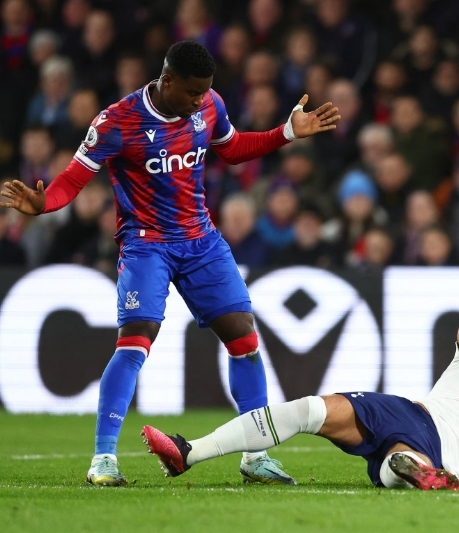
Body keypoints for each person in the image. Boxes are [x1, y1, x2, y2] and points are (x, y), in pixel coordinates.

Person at [0, 41, 340, 486]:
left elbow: (232, 148)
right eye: (192, 92)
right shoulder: (117, 121)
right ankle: (103, 459)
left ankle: (255, 456)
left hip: (201, 240)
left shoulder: (210, 104)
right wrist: (43, 204)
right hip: (147, 245)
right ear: (167, 81)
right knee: (134, 342)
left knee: (245, 341)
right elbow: (72, 180)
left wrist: (286, 133)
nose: (199, 100)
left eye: (205, 92)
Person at [141, 292, 459, 490]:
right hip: (407, 413)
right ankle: (188, 453)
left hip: (443, 455)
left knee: (404, 463)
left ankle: (419, 472)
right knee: (311, 409)